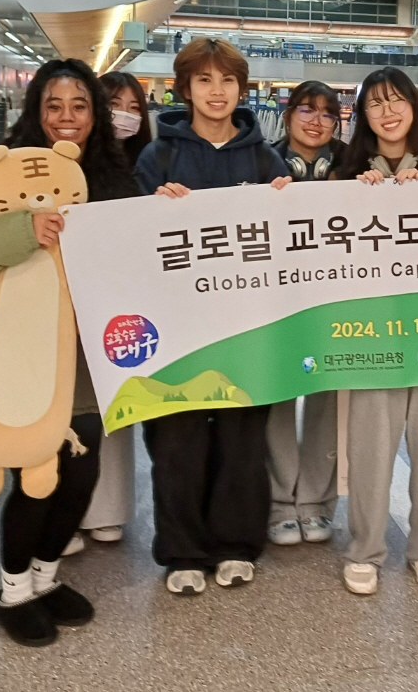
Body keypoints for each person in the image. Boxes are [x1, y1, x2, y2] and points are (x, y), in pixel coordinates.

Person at [0, 58, 139, 648]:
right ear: (34, 111)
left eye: (79, 106)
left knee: (80, 474)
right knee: (34, 478)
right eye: (53, 105)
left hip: (85, 361)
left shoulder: (114, 180)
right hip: (15, 360)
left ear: (96, 115)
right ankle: (12, 590)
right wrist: (25, 228)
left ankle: (46, 578)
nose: (66, 118)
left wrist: (167, 209)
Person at [135, 38, 291, 596]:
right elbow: (133, 242)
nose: (217, 91)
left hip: (248, 325)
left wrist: (283, 202)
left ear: (242, 90)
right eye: (204, 80)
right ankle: (182, 550)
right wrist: (157, 209)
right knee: (176, 442)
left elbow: (292, 241)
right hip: (176, 327)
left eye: (227, 81)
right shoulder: (160, 157)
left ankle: (235, 544)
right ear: (185, 89)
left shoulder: (264, 158)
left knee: (242, 440)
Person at [329, 66, 418, 596]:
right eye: (374, 104)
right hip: (373, 332)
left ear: (415, 106)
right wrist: (356, 199)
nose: (387, 112)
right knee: (369, 446)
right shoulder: (344, 176)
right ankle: (364, 548)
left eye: (396, 101)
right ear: (362, 116)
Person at [47, 70, 154, 556]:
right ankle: (56, 516)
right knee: (52, 415)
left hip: (108, 310)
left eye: (134, 106)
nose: (124, 115)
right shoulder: (25, 163)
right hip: (46, 312)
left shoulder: (129, 168)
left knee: (106, 412)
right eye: (115, 103)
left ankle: (105, 511)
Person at [265, 80, 345, 545]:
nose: (316, 121)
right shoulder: (262, 160)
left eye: (327, 114)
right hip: (278, 301)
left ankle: (316, 501)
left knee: (328, 399)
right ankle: (278, 502)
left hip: (337, 300)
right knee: (276, 397)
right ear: (288, 114)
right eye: (306, 111)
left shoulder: (355, 163)